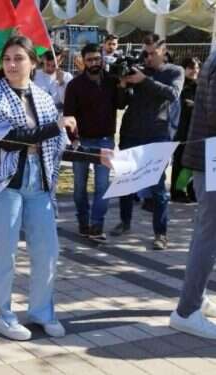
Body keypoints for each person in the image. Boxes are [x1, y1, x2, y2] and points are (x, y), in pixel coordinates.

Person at [0, 36, 112, 341]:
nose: (11, 64)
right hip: (5, 185)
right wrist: (56, 126)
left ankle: (42, 310)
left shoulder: (43, 97)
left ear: (33, 62)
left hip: (40, 185)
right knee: (4, 254)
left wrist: (96, 156)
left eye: (19, 58)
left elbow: (58, 146)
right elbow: (11, 139)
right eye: (7, 59)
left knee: (47, 252)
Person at [110, 34, 184, 250]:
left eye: (153, 53)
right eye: (146, 53)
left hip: (157, 134)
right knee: (125, 182)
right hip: (131, 133)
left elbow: (172, 94)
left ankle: (160, 233)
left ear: (164, 50)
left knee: (158, 187)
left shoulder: (174, 71)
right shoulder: (137, 69)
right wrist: (123, 85)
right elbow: (122, 104)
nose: (148, 57)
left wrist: (145, 80)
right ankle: (124, 222)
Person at [168, 47, 216, 340]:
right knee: (208, 236)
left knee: (205, 233)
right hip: (211, 158)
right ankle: (186, 311)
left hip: (207, 158)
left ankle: (195, 297)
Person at [63, 43, 126, 241]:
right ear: (83, 61)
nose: (94, 63)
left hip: (105, 141)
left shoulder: (112, 81)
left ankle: (97, 225)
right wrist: (74, 140)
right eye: (90, 60)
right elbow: (68, 115)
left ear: (102, 59)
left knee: (102, 186)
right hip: (82, 142)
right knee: (80, 187)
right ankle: (83, 221)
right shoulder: (74, 85)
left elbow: (121, 104)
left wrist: (123, 86)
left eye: (97, 59)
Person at [170, 56, 200, 203]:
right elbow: (184, 105)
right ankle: (177, 192)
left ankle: (192, 191)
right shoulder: (180, 85)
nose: (194, 71)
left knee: (193, 164)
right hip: (181, 131)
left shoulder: (200, 86)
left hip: (196, 131)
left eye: (196, 68)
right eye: (191, 67)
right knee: (180, 163)